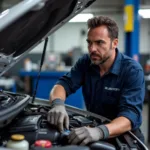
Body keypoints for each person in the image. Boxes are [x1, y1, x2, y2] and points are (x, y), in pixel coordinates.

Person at [47, 16, 145, 145]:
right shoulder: (86, 62)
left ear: (114, 43)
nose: (92, 49)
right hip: (92, 131)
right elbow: (63, 84)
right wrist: (57, 104)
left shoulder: (132, 70)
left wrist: (99, 131)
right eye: (89, 42)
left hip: (124, 138)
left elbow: (130, 116)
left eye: (99, 42)